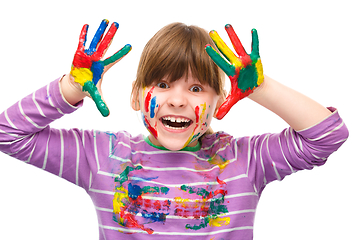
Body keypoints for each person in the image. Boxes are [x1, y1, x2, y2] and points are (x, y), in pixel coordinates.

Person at [0, 19, 348, 240]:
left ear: (218, 100)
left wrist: (260, 87)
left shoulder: (245, 161)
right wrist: (71, 89)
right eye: (163, 84)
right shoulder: (102, 157)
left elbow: (328, 136)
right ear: (136, 95)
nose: (178, 100)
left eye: (196, 89)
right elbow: (7, 133)